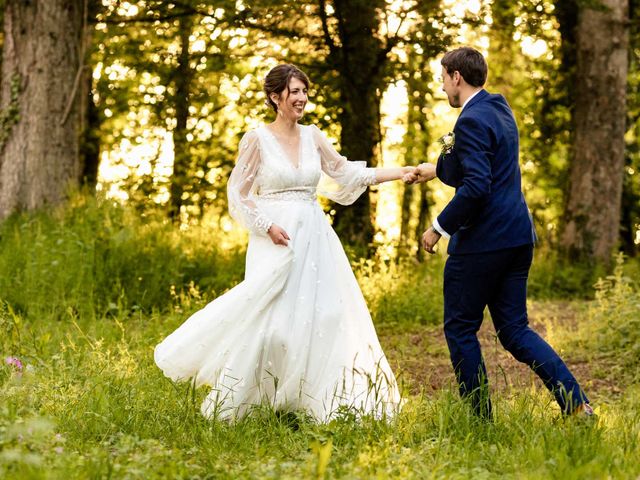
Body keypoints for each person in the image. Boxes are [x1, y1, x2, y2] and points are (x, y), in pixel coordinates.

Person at [155, 64, 410, 422]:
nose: (302, 98)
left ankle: (315, 400)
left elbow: (347, 173)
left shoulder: (313, 136)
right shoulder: (256, 139)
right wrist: (266, 225)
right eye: (294, 92)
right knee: (272, 323)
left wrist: (399, 172)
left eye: (304, 91)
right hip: (275, 239)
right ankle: (254, 399)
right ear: (276, 97)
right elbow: (238, 194)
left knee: (326, 316)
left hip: (315, 239)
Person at [404, 47, 593, 418]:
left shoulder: (469, 121)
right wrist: (436, 163)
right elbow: (469, 168)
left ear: (457, 76)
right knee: (515, 330)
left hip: (483, 243)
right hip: (518, 237)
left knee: (460, 329)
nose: (442, 88)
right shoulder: (499, 109)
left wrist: (438, 227)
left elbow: (476, 186)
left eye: (443, 79)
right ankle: (576, 404)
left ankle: (480, 420)